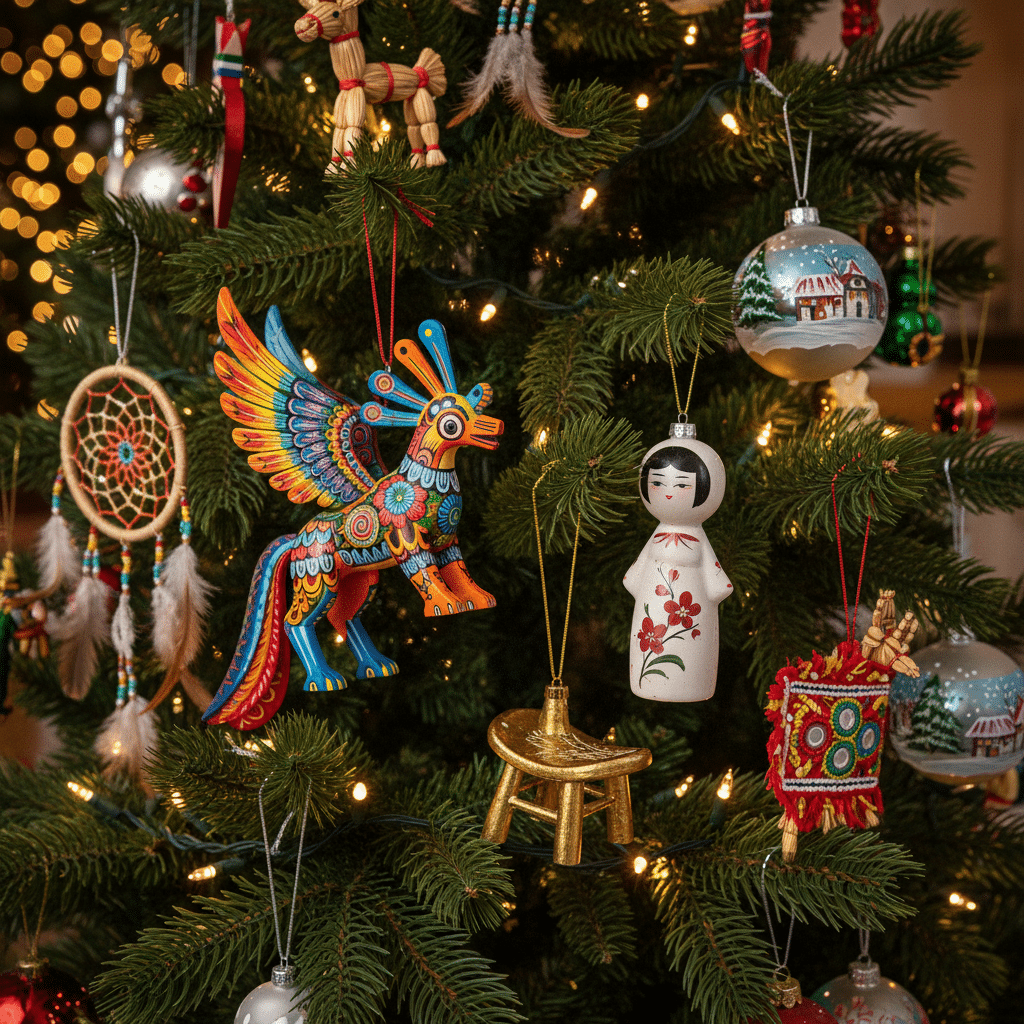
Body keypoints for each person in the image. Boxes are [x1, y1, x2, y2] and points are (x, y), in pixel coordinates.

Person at [623, 437, 732, 701]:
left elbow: (720, 587)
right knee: (650, 641)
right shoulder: (658, 535)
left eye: (682, 484)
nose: (668, 492)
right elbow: (632, 579)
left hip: (691, 613)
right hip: (654, 613)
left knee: (689, 646)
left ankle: (692, 683)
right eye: (658, 482)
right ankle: (647, 681)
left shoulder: (698, 537)